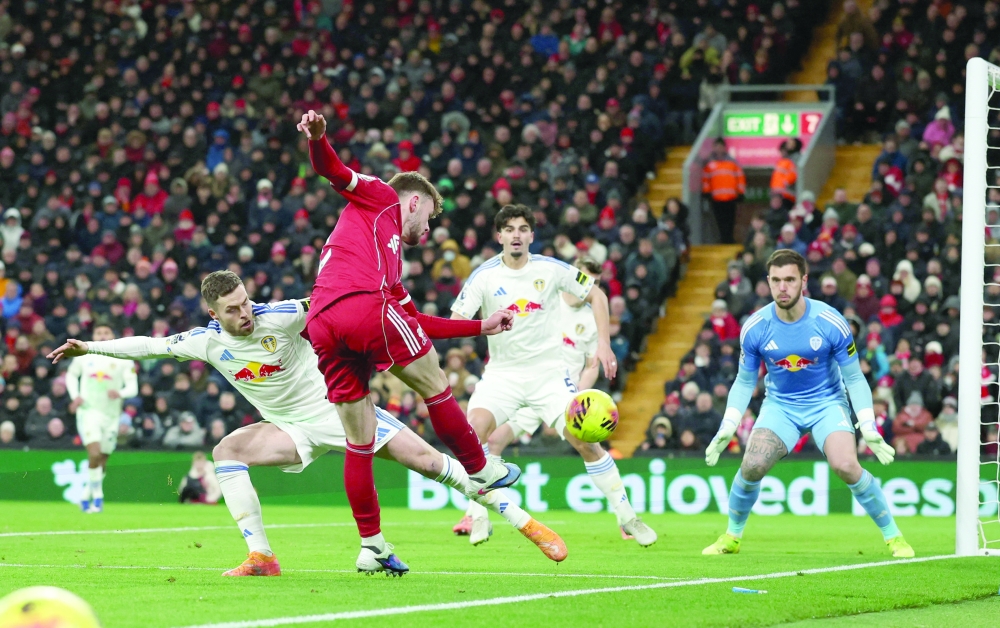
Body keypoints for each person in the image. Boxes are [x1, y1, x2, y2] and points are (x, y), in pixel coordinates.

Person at [48, 271, 564, 578]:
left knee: (431, 464)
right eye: (232, 309)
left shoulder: (283, 315)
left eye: (246, 302)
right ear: (213, 311)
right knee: (227, 451)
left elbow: (344, 311)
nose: (245, 314)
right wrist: (88, 345)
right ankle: (261, 556)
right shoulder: (204, 342)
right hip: (288, 425)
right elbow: (148, 346)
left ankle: (524, 522)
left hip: (339, 408)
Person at [296, 111, 521, 573]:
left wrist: (481, 327)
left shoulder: (384, 258)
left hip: (322, 321)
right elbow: (332, 171)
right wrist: (319, 139)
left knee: (359, 440)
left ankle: (371, 546)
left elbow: (413, 319)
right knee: (434, 380)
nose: (428, 232)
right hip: (361, 306)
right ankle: (481, 468)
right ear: (414, 201)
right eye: (431, 218)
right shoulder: (380, 197)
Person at [450, 205, 657, 546]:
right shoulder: (484, 276)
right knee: (472, 435)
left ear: (531, 235)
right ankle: (480, 516)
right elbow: (456, 320)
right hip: (502, 375)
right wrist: (480, 326)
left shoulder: (551, 268)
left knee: (585, 442)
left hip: (548, 375)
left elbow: (597, 294)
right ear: (499, 236)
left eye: (522, 228)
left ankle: (628, 518)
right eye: (509, 229)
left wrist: (603, 345)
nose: (516, 234)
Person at [702, 249, 914, 558]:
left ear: (803, 280)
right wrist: (728, 424)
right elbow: (745, 380)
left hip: (827, 403)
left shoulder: (830, 321)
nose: (782, 287)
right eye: (776, 280)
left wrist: (867, 424)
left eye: (789, 279)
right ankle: (731, 537)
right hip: (780, 405)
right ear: (768, 282)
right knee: (751, 465)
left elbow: (854, 378)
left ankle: (894, 537)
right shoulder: (755, 326)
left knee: (845, 465)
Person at [65, 322, 138, 513]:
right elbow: (71, 376)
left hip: (111, 415)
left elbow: (133, 387)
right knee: (95, 453)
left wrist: (120, 393)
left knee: (102, 460)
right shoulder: (83, 355)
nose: (103, 335)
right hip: (88, 411)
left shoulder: (124, 358)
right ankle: (98, 496)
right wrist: (75, 396)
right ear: (94, 335)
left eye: (106, 332)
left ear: (112, 335)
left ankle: (85, 495)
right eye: (99, 332)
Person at [701, 138, 746, 244]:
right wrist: (707, 192)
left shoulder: (733, 162)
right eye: (717, 146)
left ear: (725, 148)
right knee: (719, 221)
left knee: (730, 221)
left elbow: (740, 178)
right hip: (716, 198)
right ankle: (723, 239)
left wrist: (740, 192)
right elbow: (706, 179)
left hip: (731, 197)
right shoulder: (709, 163)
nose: (719, 149)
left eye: (721, 146)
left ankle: (729, 239)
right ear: (714, 148)